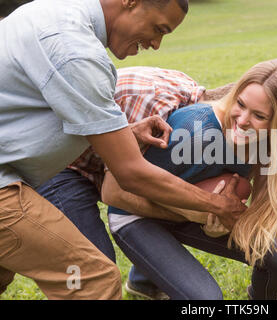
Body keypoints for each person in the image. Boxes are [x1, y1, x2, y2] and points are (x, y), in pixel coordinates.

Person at [0, 0, 246, 300]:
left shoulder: (52, 14)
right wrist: (217, 205)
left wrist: (124, 132)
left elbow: (32, 112)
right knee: (92, 279)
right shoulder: (74, 49)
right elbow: (130, 175)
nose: (156, 44)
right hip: (7, 188)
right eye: (158, 29)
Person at [101, 59, 277, 300]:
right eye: (240, 104)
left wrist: (220, 226)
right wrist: (193, 212)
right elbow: (114, 194)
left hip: (197, 208)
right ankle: (146, 277)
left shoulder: (269, 145)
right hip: (133, 214)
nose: (242, 120)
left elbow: (263, 217)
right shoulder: (195, 129)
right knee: (206, 300)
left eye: (259, 116)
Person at [37, 66, 237, 300]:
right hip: (65, 165)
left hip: (101, 158)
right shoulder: (155, 105)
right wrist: (191, 214)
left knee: (163, 188)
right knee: (95, 267)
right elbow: (117, 195)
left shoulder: (191, 103)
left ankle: (144, 282)